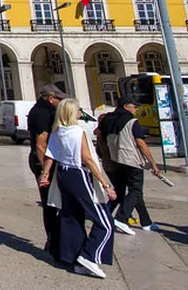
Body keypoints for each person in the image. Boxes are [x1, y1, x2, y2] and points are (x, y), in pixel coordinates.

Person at [38, 98, 117, 279]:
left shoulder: (57, 131)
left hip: (63, 174)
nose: (81, 111)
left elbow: (51, 155)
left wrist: (45, 175)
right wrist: (106, 184)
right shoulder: (77, 131)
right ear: (73, 112)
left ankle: (70, 257)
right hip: (78, 173)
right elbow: (88, 159)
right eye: (79, 109)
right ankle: (89, 256)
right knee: (104, 222)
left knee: (71, 216)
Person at [97, 96, 161, 235]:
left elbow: (99, 137)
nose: (136, 109)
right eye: (134, 106)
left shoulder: (107, 119)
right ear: (126, 107)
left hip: (115, 160)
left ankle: (146, 222)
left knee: (126, 191)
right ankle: (121, 218)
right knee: (135, 190)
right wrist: (152, 163)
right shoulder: (132, 121)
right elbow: (141, 143)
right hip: (132, 160)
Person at [28, 84, 65, 262]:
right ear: (51, 99)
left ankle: (55, 242)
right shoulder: (42, 113)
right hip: (42, 162)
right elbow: (40, 143)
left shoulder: (40, 111)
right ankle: (54, 242)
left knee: (52, 202)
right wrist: (45, 171)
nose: (60, 102)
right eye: (59, 99)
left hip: (43, 162)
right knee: (50, 203)